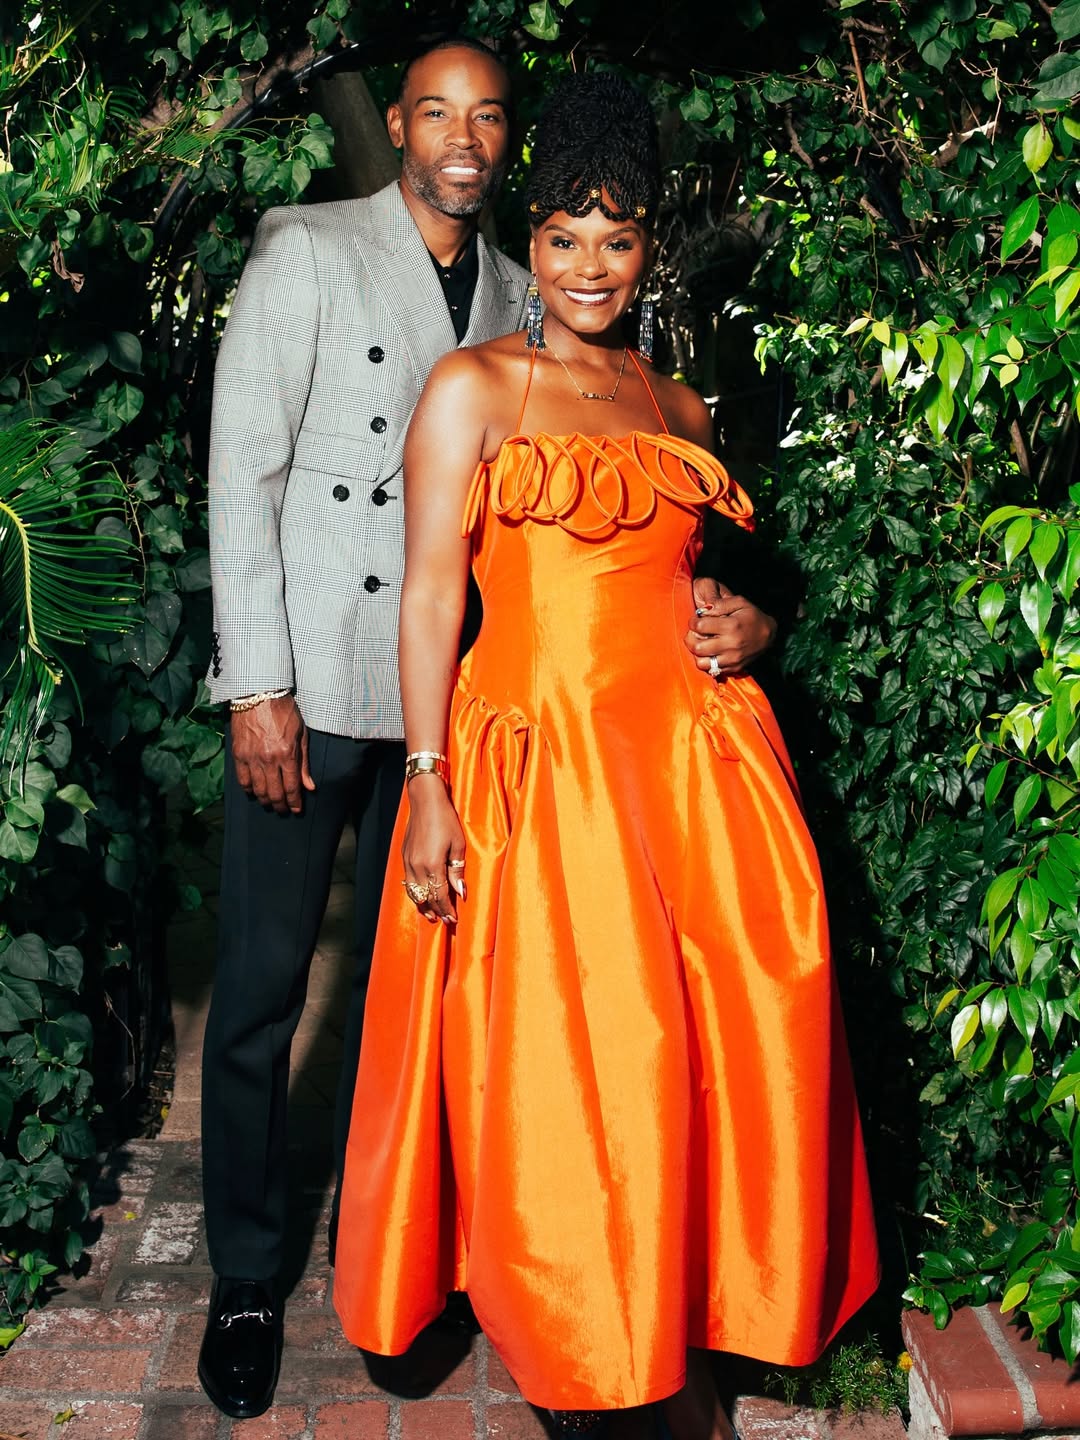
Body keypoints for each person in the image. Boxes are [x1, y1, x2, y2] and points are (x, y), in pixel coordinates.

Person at [198, 36, 772, 1423]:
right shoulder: (310, 250)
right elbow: (243, 464)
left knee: (448, 999)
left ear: (512, 146)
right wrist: (254, 682)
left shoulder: (532, 293)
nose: (464, 136)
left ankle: (460, 1249)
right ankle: (248, 1282)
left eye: (488, 116)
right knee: (270, 988)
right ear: (400, 125)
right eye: (437, 112)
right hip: (327, 676)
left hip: (467, 698)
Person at [333, 72, 879, 1440]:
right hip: (546, 770)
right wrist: (424, 778)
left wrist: (748, 620)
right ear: (537, 234)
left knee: (722, 1033)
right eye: (567, 235)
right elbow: (427, 600)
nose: (589, 266)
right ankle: (590, 1344)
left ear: (652, 248)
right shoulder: (476, 388)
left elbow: (714, 580)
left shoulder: (676, 404)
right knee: (584, 1063)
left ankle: (695, 1296)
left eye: (618, 239)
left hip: (689, 764)